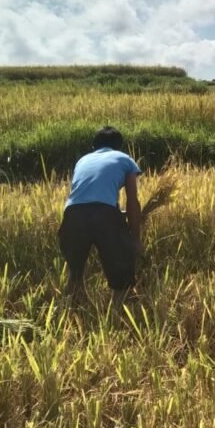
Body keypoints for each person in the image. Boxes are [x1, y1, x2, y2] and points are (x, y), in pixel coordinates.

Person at [59, 127, 143, 305]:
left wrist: (113, 214)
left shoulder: (83, 160)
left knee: (75, 274)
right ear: (119, 147)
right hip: (104, 214)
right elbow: (132, 201)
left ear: (94, 146)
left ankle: (71, 317)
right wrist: (135, 238)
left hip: (72, 215)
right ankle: (118, 315)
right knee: (122, 273)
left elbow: (86, 200)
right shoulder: (125, 159)